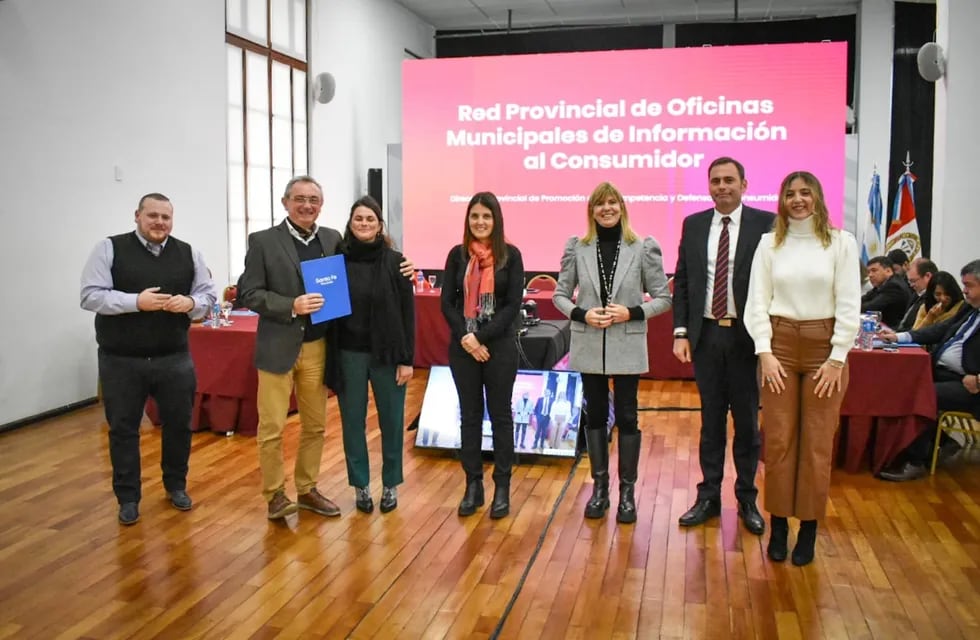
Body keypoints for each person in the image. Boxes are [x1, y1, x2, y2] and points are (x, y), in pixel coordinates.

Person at [237, 175, 413, 520]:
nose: (306, 205)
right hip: (283, 347)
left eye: (313, 200)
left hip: (319, 347)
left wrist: (405, 266)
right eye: (299, 199)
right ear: (285, 202)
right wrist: (291, 305)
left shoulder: (332, 241)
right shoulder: (263, 241)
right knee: (272, 428)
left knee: (316, 426)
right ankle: (275, 494)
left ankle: (307, 488)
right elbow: (247, 293)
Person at [744, 171, 860, 566]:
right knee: (778, 443)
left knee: (816, 445)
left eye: (805, 193)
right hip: (778, 347)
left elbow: (849, 305)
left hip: (824, 350)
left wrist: (837, 357)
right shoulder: (769, 244)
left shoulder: (841, 244)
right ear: (781, 200)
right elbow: (757, 302)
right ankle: (778, 526)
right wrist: (765, 351)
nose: (797, 200)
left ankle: (808, 529)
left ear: (817, 197)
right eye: (790, 193)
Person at [80, 193, 217, 525]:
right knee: (124, 429)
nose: (159, 223)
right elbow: (89, 295)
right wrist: (135, 302)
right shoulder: (108, 248)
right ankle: (128, 497)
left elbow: (208, 295)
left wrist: (191, 304)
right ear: (137, 216)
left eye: (165, 217)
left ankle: (176, 485)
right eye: (152, 215)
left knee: (179, 426)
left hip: (174, 357)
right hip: (121, 360)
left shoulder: (188, 253)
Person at [553, 181, 671, 524]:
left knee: (628, 417)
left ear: (622, 207)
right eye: (599, 204)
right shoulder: (577, 247)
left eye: (612, 203)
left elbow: (664, 297)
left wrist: (631, 312)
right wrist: (581, 313)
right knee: (594, 417)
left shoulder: (643, 247)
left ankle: (628, 493)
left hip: (627, 343)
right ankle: (600, 489)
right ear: (591, 210)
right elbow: (561, 295)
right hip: (588, 341)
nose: (606, 209)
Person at [672, 157, 775, 535]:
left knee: (747, 423)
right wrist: (681, 332)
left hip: (748, 338)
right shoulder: (694, 224)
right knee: (711, 421)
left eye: (729, 180)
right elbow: (683, 281)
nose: (722, 186)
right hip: (706, 336)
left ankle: (747, 497)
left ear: (744, 184)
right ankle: (708, 496)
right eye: (715, 181)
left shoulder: (767, 225)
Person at [440, 192, 525, 519]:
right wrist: (467, 338)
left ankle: (501, 486)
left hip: (499, 347)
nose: (480, 222)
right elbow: (447, 302)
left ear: (496, 220)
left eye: (486, 217)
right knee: (470, 416)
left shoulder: (511, 256)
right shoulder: (457, 255)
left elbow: (512, 305)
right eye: (474, 216)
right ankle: (473, 485)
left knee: (501, 416)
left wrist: (480, 336)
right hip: (463, 348)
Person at [332, 196, 414, 514]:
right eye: (358, 219)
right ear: (350, 224)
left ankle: (390, 484)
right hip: (348, 353)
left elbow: (409, 315)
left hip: (389, 355)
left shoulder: (397, 262)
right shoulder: (335, 260)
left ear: (380, 225)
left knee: (392, 423)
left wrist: (407, 359)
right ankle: (361, 485)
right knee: (353, 422)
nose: (364, 224)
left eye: (370, 219)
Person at [877, 259, 980, 482]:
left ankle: (916, 461)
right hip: (945, 371)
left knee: (924, 395)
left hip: (970, 385)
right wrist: (899, 337)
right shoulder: (969, 310)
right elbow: (939, 330)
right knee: (900, 380)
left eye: (969, 285)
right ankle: (898, 448)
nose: (964, 291)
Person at [861, 255, 911, 328]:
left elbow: (871, 308)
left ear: (888, 271)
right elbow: (863, 299)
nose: (870, 275)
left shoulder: (894, 286)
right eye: (868, 272)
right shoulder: (881, 285)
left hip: (894, 331)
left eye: (874, 270)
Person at [896, 258, 938, 331]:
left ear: (928, 276)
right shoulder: (916, 294)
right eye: (909, 282)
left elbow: (918, 328)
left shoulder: (935, 297)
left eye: (913, 281)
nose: (911, 285)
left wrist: (897, 335)